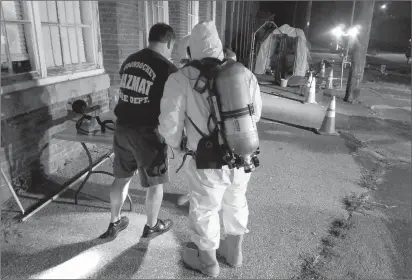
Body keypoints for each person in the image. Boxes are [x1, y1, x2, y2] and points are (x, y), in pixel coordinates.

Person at [158, 21, 262, 277]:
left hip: (206, 158)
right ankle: (234, 252)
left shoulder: (180, 78)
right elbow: (255, 115)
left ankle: (208, 263)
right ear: (217, 47)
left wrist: (178, 145)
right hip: (242, 153)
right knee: (236, 201)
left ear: (192, 50)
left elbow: (169, 123)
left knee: (205, 208)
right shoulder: (243, 74)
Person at [99, 23, 177, 241]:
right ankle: (152, 226)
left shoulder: (130, 60)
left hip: (122, 127)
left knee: (121, 177)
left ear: (150, 39)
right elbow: (173, 106)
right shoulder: (168, 69)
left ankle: (115, 222)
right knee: (155, 182)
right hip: (148, 132)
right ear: (169, 42)